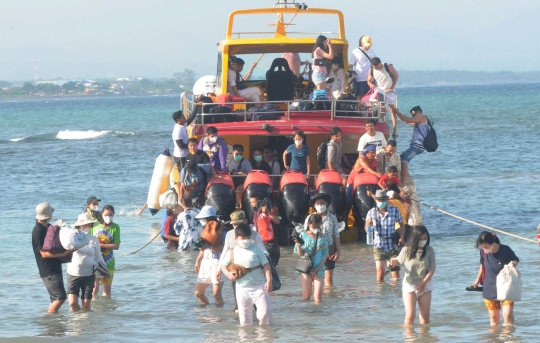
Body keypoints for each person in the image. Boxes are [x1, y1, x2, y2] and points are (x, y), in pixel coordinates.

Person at [220, 223, 273, 326]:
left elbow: (266, 266)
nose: (246, 240)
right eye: (243, 237)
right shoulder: (232, 252)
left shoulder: (257, 249)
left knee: (265, 314)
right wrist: (228, 274)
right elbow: (223, 265)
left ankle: (265, 337)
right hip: (242, 288)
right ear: (236, 238)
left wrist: (269, 281)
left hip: (259, 287)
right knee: (244, 320)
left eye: (248, 237)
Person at [389, 225, 436, 324]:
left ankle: (425, 338)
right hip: (409, 286)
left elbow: (432, 269)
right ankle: (410, 338)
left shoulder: (429, 250)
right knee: (410, 316)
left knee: (425, 318)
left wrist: (423, 284)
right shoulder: (407, 250)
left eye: (425, 238)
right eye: (421, 239)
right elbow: (398, 260)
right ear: (415, 238)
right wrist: (391, 261)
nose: (423, 241)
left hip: (425, 285)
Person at [471, 231, 519, 326]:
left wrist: (513, 264)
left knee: (508, 314)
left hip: (506, 287)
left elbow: (515, 259)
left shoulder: (505, 249)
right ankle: (494, 338)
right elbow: (482, 265)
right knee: (493, 318)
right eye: (482, 247)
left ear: (492, 243)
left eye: (486, 247)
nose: (484, 249)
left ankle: (509, 337)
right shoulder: (483, 252)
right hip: (490, 287)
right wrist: (477, 279)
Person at [32, 202, 72, 313]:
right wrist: (64, 255)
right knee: (60, 297)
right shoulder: (38, 230)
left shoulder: (48, 227)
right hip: (47, 269)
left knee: (55, 298)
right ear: (49, 216)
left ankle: (54, 326)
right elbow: (43, 254)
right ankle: (50, 319)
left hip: (55, 266)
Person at [365, 190, 404, 282]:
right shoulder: (371, 212)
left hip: (392, 245)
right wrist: (368, 225)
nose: (381, 202)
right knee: (379, 272)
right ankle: (380, 294)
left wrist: (402, 237)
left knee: (395, 273)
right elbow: (367, 229)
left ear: (386, 200)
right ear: (375, 200)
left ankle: (395, 293)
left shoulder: (394, 210)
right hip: (379, 246)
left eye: (383, 200)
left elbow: (401, 225)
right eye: (379, 200)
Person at [67, 213, 103, 311]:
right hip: (73, 274)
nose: (87, 227)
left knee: (86, 305)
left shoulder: (93, 239)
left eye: (89, 225)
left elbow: (99, 256)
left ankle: (86, 324)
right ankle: (77, 323)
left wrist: (104, 269)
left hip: (89, 274)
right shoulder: (72, 237)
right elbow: (65, 250)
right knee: (72, 303)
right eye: (85, 225)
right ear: (79, 226)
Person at [303, 194, 340, 287]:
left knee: (328, 280)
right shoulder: (309, 218)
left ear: (326, 204)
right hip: (314, 252)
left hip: (329, 251)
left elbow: (336, 235)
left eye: (322, 203)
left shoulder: (332, 218)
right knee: (313, 278)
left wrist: (338, 250)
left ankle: (328, 299)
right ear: (314, 206)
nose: (320, 205)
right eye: (318, 203)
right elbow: (305, 235)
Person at [194, 206, 225, 306]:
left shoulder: (222, 231)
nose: (203, 221)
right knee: (199, 293)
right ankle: (205, 313)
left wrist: (211, 247)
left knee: (216, 294)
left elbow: (225, 248)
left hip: (218, 263)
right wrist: (198, 260)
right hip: (205, 263)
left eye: (205, 218)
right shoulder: (204, 231)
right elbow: (203, 250)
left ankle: (219, 317)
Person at [293, 213, 328, 302]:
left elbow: (325, 254)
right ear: (309, 224)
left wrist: (317, 269)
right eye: (314, 225)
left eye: (318, 225)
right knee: (306, 296)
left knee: (318, 297)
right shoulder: (302, 236)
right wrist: (298, 245)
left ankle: (318, 314)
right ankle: (306, 314)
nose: (316, 228)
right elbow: (300, 254)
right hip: (306, 267)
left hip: (319, 268)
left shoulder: (322, 236)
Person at [91, 204, 121, 298]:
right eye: (106, 214)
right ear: (102, 214)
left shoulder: (115, 227)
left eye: (111, 215)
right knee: (94, 289)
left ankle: (105, 311)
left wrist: (101, 245)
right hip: (95, 262)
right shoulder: (94, 225)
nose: (108, 217)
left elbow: (116, 246)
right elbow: (89, 240)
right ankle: (93, 309)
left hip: (109, 262)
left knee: (107, 292)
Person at [367, 57, 401, 139]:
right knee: (376, 108)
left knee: (392, 110)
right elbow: (369, 80)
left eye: (378, 67)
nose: (377, 69)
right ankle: (376, 126)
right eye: (375, 68)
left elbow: (396, 76)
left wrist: (392, 88)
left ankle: (395, 128)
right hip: (379, 90)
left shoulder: (387, 66)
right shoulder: (372, 69)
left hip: (389, 90)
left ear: (380, 63)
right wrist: (370, 84)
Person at [396, 106, 429, 184]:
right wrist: (398, 115)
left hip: (417, 146)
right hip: (417, 146)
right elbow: (407, 121)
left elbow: (407, 119)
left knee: (404, 160)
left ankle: (403, 182)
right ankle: (399, 177)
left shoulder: (422, 118)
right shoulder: (420, 122)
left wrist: (397, 112)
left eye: (414, 115)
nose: (413, 117)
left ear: (419, 112)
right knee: (399, 158)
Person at [251, 194, 280, 267]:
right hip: (261, 245)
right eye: (251, 202)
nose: (252, 205)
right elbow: (255, 228)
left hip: (273, 246)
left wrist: (267, 211)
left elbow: (277, 221)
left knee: (271, 268)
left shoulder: (270, 211)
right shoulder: (256, 213)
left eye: (253, 202)